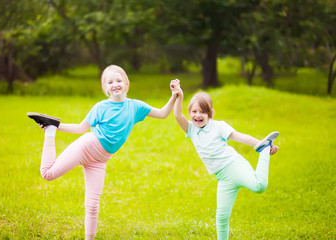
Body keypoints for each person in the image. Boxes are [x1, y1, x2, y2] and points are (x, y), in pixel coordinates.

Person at [27, 65, 181, 240]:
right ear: (105, 88)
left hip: (100, 160)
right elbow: (80, 129)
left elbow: (162, 114)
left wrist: (174, 95)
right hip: (87, 147)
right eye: (110, 82)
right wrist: (56, 126)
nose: (115, 84)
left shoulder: (135, 106)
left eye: (118, 80)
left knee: (92, 204)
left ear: (127, 83)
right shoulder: (101, 107)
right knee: (48, 174)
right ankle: (50, 131)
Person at [171, 83, 279, 240]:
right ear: (189, 113)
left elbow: (239, 136)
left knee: (259, 186)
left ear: (211, 113)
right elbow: (176, 115)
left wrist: (260, 144)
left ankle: (264, 151)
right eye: (194, 111)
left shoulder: (218, 126)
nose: (198, 115)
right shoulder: (191, 130)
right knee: (221, 216)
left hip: (234, 166)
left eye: (202, 111)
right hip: (222, 177)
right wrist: (179, 96)